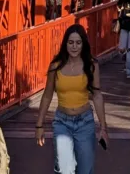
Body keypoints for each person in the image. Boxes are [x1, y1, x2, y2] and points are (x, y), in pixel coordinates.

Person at [35, 23, 108, 174]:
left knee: (85, 170)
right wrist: (39, 125)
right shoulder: (55, 66)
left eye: (78, 43)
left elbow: (97, 95)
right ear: (65, 44)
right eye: (71, 42)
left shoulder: (91, 65)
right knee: (65, 169)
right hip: (62, 122)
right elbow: (47, 95)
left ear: (83, 44)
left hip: (85, 122)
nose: (74, 46)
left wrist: (103, 127)